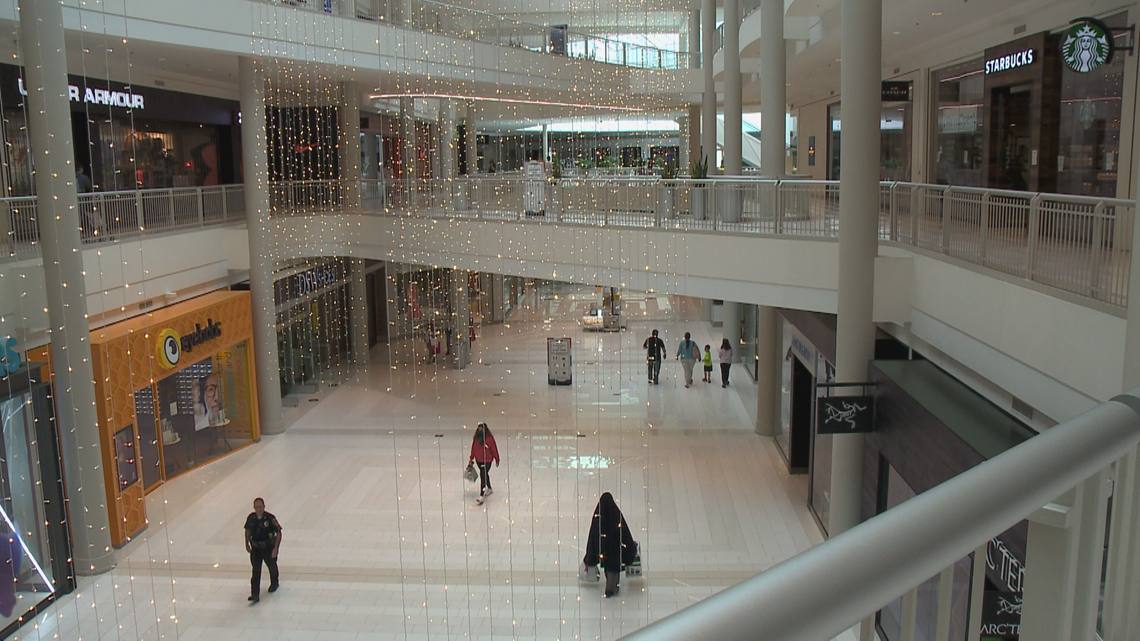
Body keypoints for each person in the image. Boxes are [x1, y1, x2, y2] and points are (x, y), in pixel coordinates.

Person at [582, 492, 638, 598]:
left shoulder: (599, 519)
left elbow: (593, 536)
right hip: (615, 551)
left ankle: (610, 588)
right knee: (614, 569)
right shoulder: (616, 516)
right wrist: (631, 547)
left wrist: (591, 556)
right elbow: (625, 533)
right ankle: (612, 587)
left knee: (608, 568)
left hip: (605, 551)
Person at [244, 497, 282, 603]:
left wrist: (276, 548)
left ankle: (274, 582)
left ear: (264, 507)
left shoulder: (270, 518)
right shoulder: (251, 518)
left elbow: (278, 532)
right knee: (256, 570)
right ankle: (255, 593)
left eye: (260, 507)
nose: (258, 509)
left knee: (271, 566)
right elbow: (247, 530)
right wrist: (246, 543)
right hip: (255, 548)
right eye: (256, 507)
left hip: (268, 547)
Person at [469, 422, 500, 504]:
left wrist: (497, 459)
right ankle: (489, 488)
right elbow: (474, 448)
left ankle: (482, 494)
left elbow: (494, 449)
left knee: (483, 475)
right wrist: (471, 459)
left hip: (487, 460)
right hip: (478, 460)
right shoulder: (476, 439)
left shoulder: (489, 439)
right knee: (484, 473)